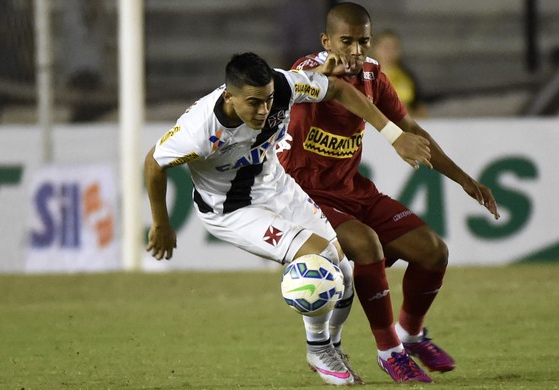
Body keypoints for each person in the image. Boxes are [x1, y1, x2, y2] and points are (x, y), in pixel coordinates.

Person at [144, 52, 431, 386]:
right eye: (253, 103)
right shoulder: (198, 132)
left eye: (267, 101)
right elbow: (154, 163)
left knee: (344, 272)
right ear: (229, 97)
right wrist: (161, 222)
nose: (264, 111)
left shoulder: (282, 86)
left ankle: (332, 346)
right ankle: (318, 347)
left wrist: (394, 135)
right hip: (232, 210)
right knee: (319, 257)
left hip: (277, 187)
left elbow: (336, 89)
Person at [278, 2, 500, 384]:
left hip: (353, 189)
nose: (354, 50)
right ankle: (389, 353)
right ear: (325, 40)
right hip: (307, 195)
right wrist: (392, 137)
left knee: (433, 251)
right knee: (366, 245)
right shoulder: (306, 74)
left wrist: (465, 179)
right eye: (345, 41)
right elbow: (329, 95)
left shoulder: (372, 74)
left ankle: (410, 335)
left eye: (362, 41)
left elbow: (412, 128)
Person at [370, 29, 427, 117]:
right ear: (375, 49)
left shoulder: (407, 77)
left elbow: (419, 107)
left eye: (394, 47)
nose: (389, 52)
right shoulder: (365, 76)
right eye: (385, 47)